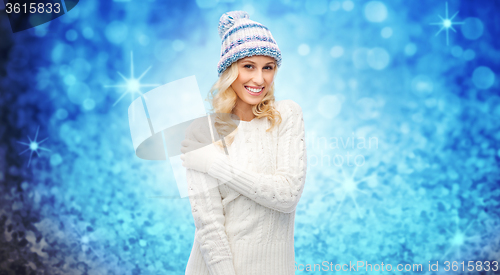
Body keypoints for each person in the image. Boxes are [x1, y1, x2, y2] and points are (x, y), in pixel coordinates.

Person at [180, 10, 307, 275]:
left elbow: (287, 196)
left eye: (268, 67)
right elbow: (209, 226)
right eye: (248, 66)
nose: (259, 79)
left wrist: (215, 165)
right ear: (229, 70)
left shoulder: (287, 115)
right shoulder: (202, 131)